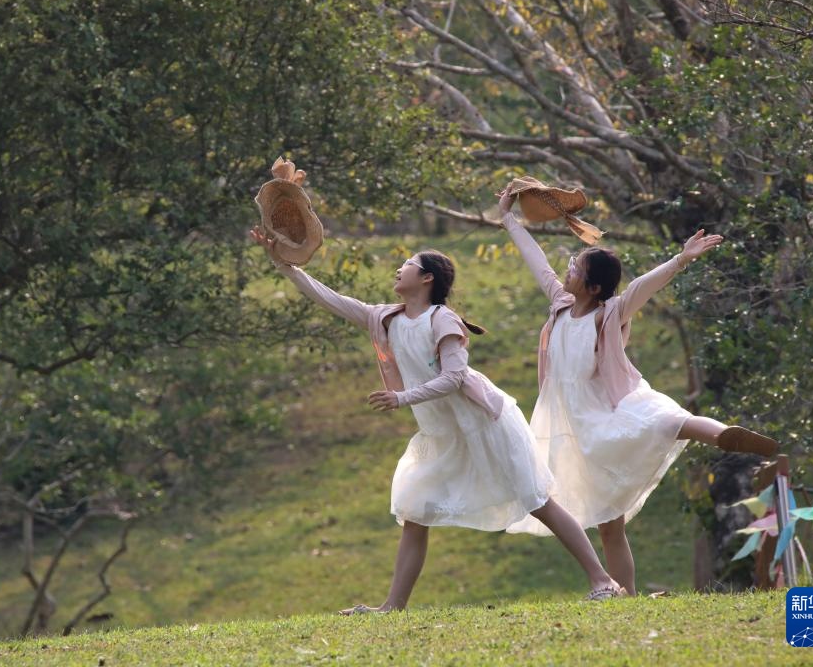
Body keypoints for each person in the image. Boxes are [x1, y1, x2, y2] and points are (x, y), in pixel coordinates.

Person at [249, 226, 626, 614]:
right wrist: (284, 264)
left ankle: (603, 582)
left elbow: (454, 378)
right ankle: (392, 606)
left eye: (406, 265)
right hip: (442, 433)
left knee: (537, 501)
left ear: (426, 278)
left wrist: (402, 397)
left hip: (484, 425)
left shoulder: (442, 320)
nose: (398, 270)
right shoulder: (386, 319)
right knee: (415, 513)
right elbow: (329, 299)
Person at [496, 181, 778, 596]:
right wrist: (508, 219)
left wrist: (680, 260)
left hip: (607, 410)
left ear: (593, 288)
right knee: (611, 523)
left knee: (668, 419)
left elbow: (641, 286)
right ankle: (624, 595)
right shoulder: (559, 304)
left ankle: (725, 436)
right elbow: (535, 259)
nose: (566, 272)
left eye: (575, 269)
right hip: (573, 426)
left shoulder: (608, 314)